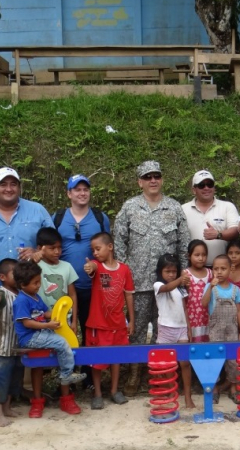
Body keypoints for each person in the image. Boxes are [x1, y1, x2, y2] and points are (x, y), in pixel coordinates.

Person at [113, 160, 191, 397]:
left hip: (169, 286)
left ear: (162, 179)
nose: (153, 180)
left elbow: (184, 244)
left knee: (164, 331)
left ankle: (163, 375)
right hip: (138, 284)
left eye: (157, 175)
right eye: (147, 177)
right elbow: (119, 242)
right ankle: (135, 373)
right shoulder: (129, 207)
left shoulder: (174, 208)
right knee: (136, 330)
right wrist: (124, 277)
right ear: (140, 182)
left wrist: (183, 281)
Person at [53, 174, 110, 388]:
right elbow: (50, 247)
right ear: (69, 193)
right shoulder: (58, 218)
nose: (82, 193)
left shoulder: (99, 217)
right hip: (64, 288)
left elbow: (108, 249)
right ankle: (64, 377)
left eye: (85, 189)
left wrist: (98, 266)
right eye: (77, 189)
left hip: (92, 286)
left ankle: (87, 374)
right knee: (63, 330)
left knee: (90, 330)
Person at [12, 261, 86, 418]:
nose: (39, 285)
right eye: (35, 283)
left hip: (41, 334)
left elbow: (45, 313)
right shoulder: (22, 300)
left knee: (63, 347)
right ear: (22, 284)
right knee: (60, 344)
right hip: (30, 337)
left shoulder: (35, 296)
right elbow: (27, 322)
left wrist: (58, 313)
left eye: (39, 281)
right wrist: (49, 325)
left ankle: (66, 398)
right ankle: (64, 377)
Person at [0, 167, 54, 288]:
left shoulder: (37, 210)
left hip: (32, 289)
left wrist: (37, 252)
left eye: (13, 184)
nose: (9, 189)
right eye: (3, 184)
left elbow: (54, 245)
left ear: (19, 187)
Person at [83, 232, 135, 410]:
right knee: (97, 360)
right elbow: (92, 267)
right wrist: (90, 266)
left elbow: (129, 296)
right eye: (93, 250)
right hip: (98, 324)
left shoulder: (125, 269)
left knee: (116, 358)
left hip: (119, 324)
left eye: (98, 249)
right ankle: (97, 393)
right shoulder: (97, 265)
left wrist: (131, 321)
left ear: (110, 247)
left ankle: (114, 391)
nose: (95, 253)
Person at [202, 255, 240, 404]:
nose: (219, 272)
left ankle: (233, 388)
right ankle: (214, 389)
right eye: (216, 269)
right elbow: (204, 303)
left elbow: (239, 310)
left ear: (230, 269)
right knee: (214, 358)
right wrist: (211, 287)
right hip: (216, 329)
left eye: (223, 268)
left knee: (232, 360)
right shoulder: (210, 287)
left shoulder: (235, 289)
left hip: (232, 329)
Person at [153, 253, 194, 408]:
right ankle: (172, 392)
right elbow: (167, 287)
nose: (171, 274)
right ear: (160, 272)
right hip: (166, 328)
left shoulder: (181, 289)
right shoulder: (158, 285)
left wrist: (189, 328)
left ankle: (187, 396)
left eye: (174, 271)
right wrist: (179, 279)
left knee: (185, 363)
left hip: (182, 328)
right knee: (168, 364)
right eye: (167, 271)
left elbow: (185, 308)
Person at [0, 258, 23, 428]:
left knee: (14, 379)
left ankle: (7, 407)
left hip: (17, 346)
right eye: (15, 274)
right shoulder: (2, 292)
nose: (19, 277)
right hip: (3, 347)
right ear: (2, 277)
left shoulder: (21, 293)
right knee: (0, 379)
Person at [182, 170, 240, 264]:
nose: (206, 188)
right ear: (194, 190)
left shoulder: (227, 207)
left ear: (214, 187)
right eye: (201, 185)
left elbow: (236, 231)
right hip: (193, 270)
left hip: (222, 269)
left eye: (210, 184)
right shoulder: (183, 209)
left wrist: (218, 234)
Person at [35, 228, 78, 333]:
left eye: (59, 247)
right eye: (52, 248)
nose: (57, 252)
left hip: (64, 319)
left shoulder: (67, 267)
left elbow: (72, 295)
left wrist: (74, 321)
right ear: (40, 248)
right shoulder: (35, 266)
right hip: (42, 320)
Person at [185, 240, 212, 342]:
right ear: (189, 256)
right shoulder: (185, 274)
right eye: (197, 255)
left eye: (204, 255)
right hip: (192, 317)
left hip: (207, 316)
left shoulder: (210, 273)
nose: (201, 258)